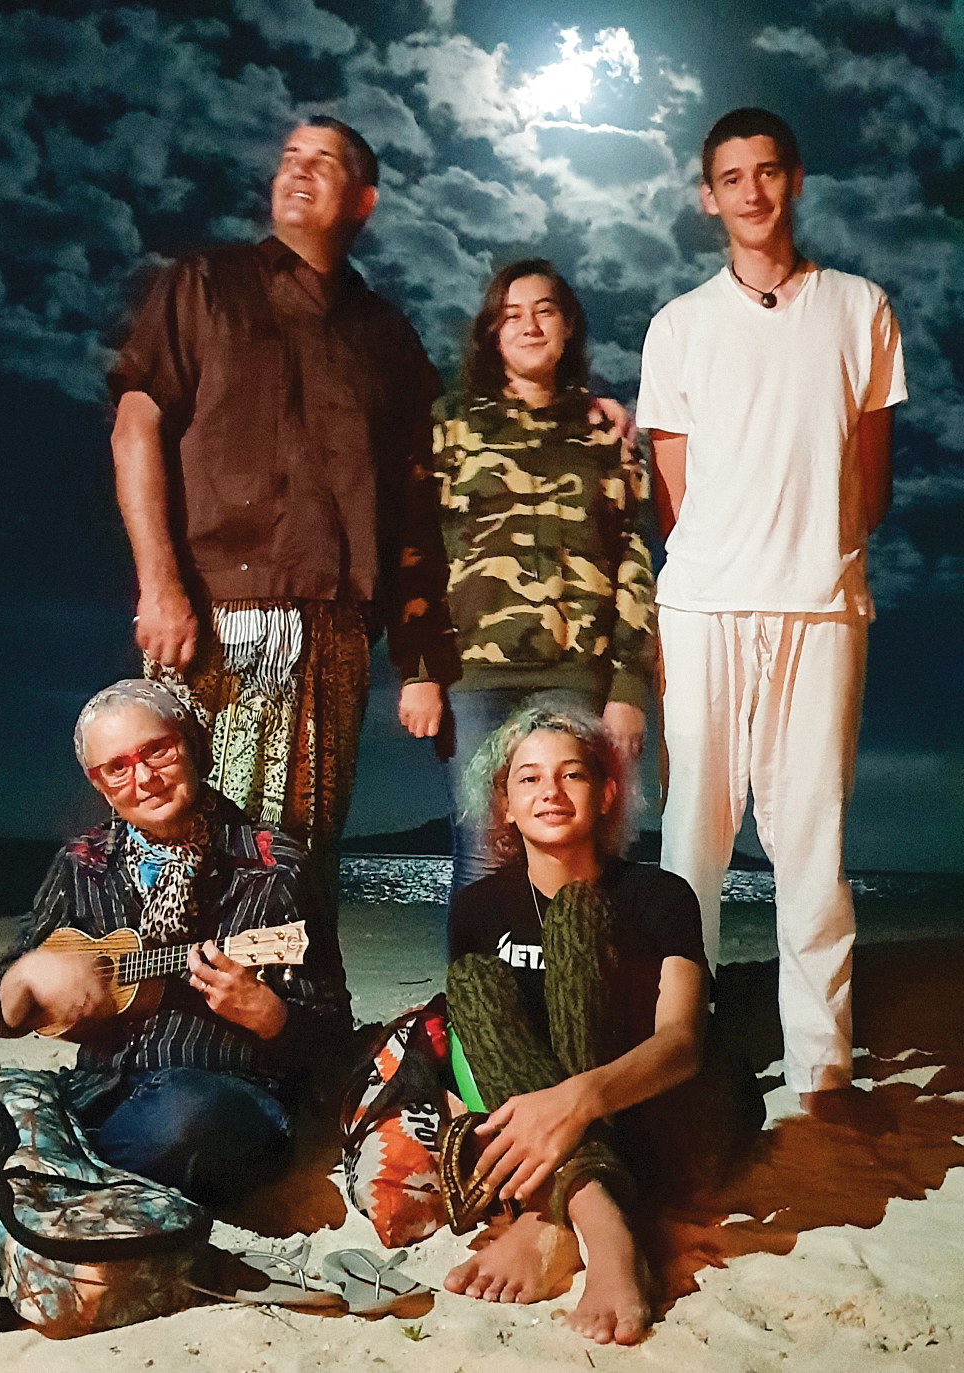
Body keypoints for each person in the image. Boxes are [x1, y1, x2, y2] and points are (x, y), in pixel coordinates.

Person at [108, 117, 459, 910]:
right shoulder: (206, 284)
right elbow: (136, 426)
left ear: (362, 200)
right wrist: (158, 584)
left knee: (298, 853)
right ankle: (165, 990)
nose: (297, 170)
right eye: (289, 157)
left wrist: (419, 658)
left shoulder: (388, 337)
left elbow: (420, 501)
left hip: (334, 632)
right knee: (181, 841)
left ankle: (284, 990)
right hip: (208, 613)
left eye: (323, 162)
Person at [635, 109, 908, 1118]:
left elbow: (869, 478)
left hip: (821, 608)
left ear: (791, 181)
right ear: (708, 197)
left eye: (766, 172)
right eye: (730, 177)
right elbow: (673, 493)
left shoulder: (858, 308)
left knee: (811, 841)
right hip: (703, 607)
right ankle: (679, 1054)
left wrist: (809, 554)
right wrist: (730, 558)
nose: (750, 192)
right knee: (692, 838)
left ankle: (819, 1070)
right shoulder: (679, 325)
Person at [443, 697, 759, 1346]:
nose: (550, 791)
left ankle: (564, 1223)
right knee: (470, 981)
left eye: (573, 774)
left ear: (607, 792)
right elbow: (483, 1047)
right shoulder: (478, 907)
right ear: (506, 804)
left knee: (578, 916)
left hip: (665, 1113)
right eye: (529, 777)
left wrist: (574, 1100)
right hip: (560, 1140)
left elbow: (681, 1044)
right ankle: (597, 1216)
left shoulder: (659, 894)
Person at [0, 681, 353, 1207]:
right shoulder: (82, 863)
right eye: (117, 767)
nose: (144, 779)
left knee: (185, 1117)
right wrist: (27, 976)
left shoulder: (275, 867)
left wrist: (270, 1016)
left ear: (194, 746)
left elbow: (335, 1042)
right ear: (99, 784)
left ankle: (34, 1173)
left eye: (158, 751)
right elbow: (0, 1008)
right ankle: (56, 1173)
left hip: (224, 1097)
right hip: (99, 1092)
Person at [433, 260, 656, 893]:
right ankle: (485, 965)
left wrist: (629, 687)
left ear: (568, 326)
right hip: (475, 676)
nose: (529, 326)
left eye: (545, 311)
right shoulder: (453, 424)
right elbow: (421, 548)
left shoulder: (604, 432)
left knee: (576, 850)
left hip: (577, 675)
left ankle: (573, 963)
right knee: (485, 852)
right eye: (512, 315)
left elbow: (634, 559)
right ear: (492, 333)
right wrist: (421, 672)